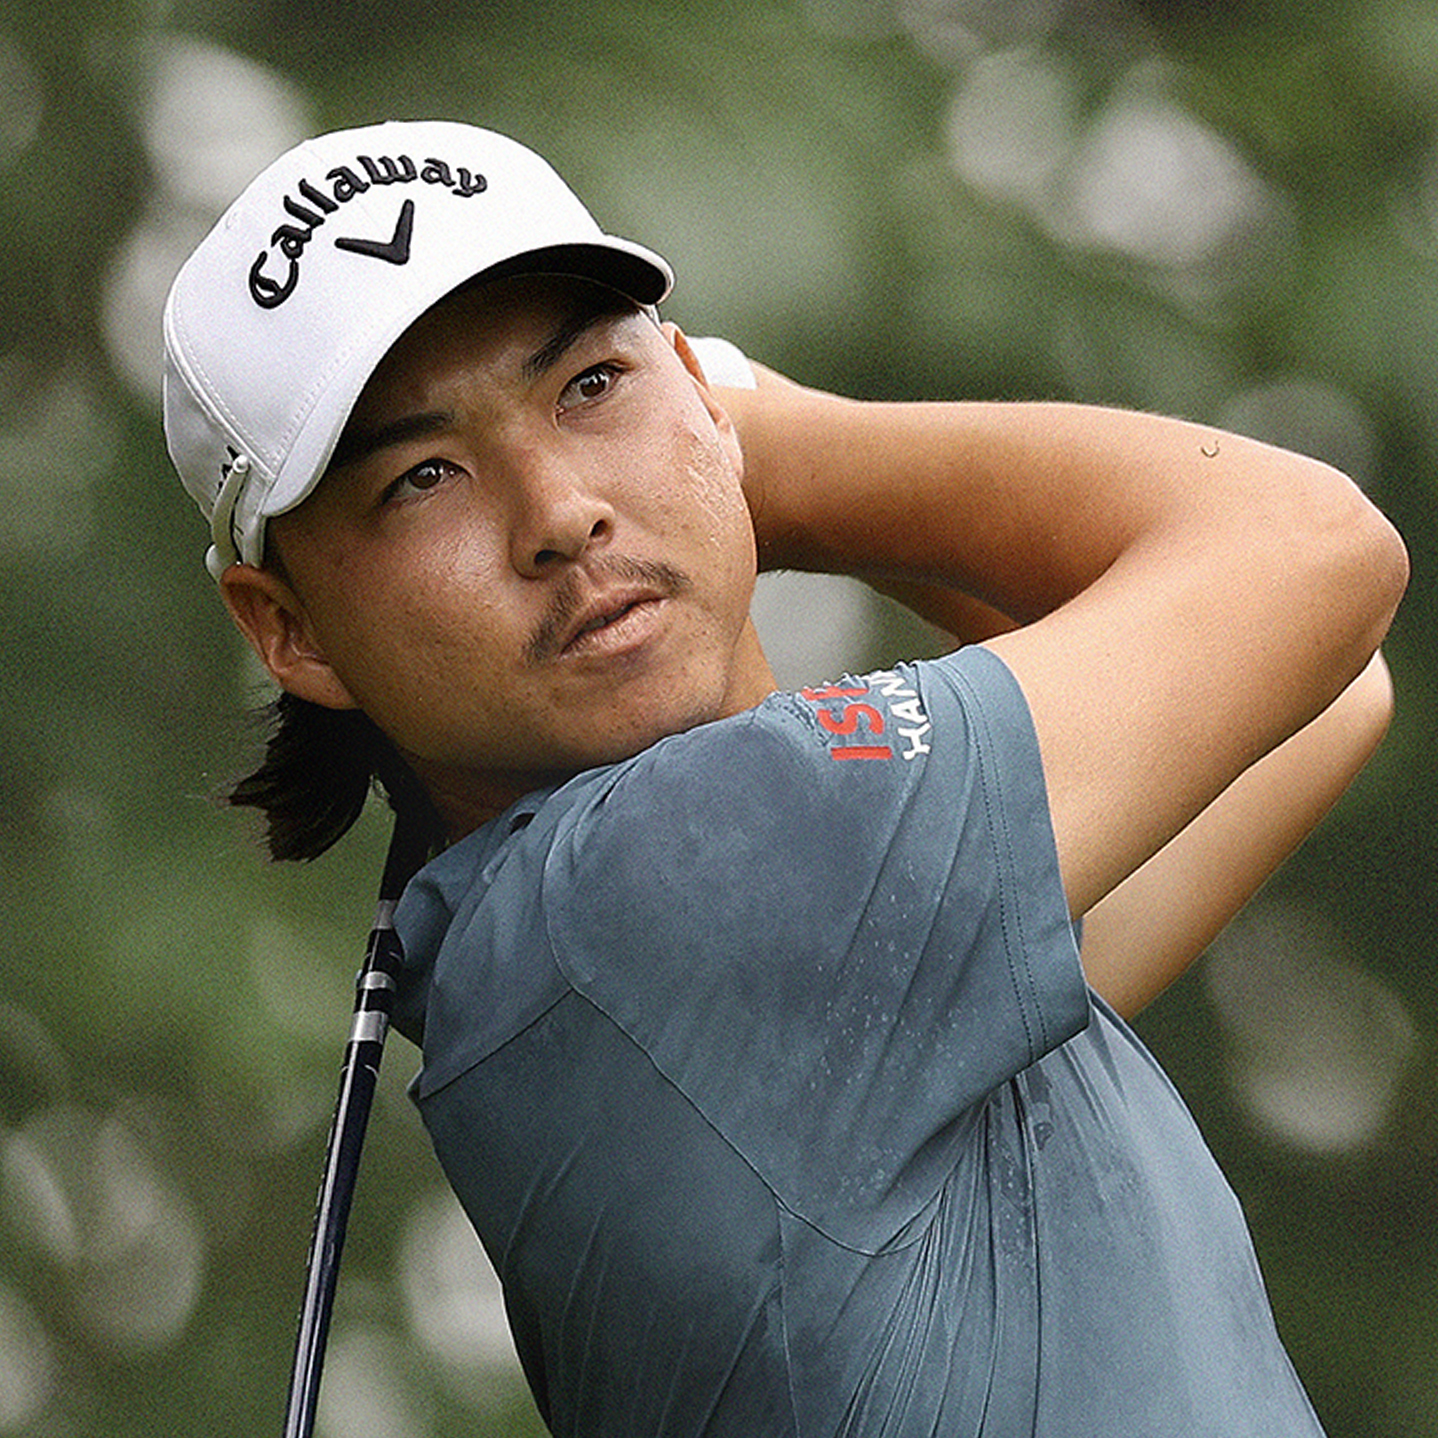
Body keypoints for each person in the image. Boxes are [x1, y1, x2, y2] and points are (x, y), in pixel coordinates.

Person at [162, 119, 1407, 1435]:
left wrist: (712, 445)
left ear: (690, 384)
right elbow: (1309, 550)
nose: (559, 512)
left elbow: (1314, 694)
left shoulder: (677, 959)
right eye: (423, 477)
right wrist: (772, 452)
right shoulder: (670, 882)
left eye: (592, 385)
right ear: (290, 629)